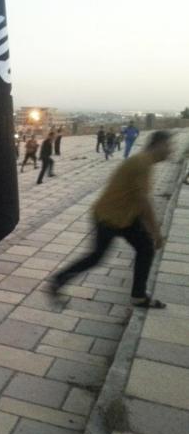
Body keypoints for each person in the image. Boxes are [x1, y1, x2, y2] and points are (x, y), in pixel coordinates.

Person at [52, 130, 173, 308]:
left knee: (144, 248)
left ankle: (138, 295)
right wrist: (156, 233)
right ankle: (58, 279)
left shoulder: (143, 162)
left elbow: (139, 199)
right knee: (98, 257)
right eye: (169, 146)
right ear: (159, 145)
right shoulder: (141, 163)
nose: (171, 150)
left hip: (124, 217)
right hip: (109, 217)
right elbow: (144, 202)